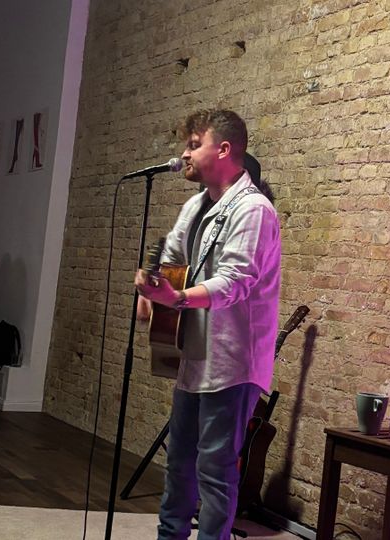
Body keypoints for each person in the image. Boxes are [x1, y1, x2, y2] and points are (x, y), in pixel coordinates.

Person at [134, 109, 281, 540]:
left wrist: (176, 298)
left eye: (194, 144)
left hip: (233, 362)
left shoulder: (254, 210)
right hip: (195, 354)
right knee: (179, 463)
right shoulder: (195, 206)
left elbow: (235, 281)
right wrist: (152, 289)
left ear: (224, 149)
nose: (184, 154)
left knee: (215, 470)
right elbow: (172, 258)